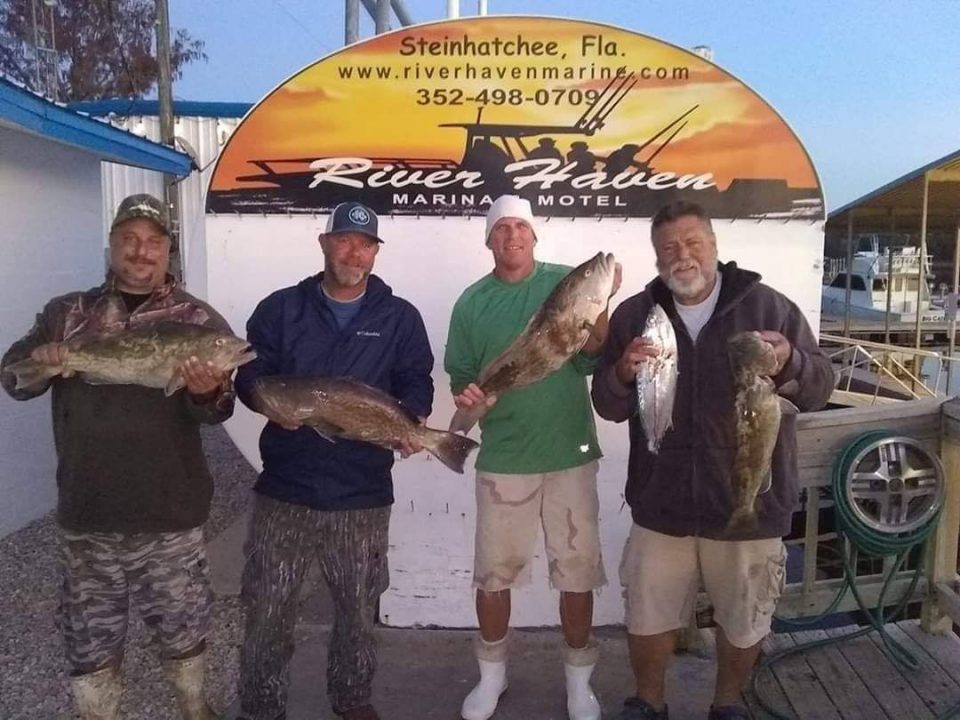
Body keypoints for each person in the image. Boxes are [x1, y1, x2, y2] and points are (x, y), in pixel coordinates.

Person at [591, 201, 834, 720]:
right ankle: (649, 702)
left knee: (744, 617)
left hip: (750, 499)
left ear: (715, 246)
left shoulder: (769, 308)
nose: (682, 257)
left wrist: (790, 359)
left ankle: (726, 704)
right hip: (662, 502)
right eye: (669, 249)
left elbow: (818, 389)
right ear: (656, 258)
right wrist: (621, 376)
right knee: (648, 615)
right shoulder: (636, 315)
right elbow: (607, 406)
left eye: (692, 243)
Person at [0, 193, 236, 720]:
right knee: (90, 635)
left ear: (168, 251)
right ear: (111, 246)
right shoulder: (67, 314)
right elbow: (14, 379)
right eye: (129, 239)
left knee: (183, 624)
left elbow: (219, 411)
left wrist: (205, 389)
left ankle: (194, 707)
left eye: (154, 242)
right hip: (88, 509)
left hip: (170, 511)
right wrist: (40, 358)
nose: (141, 251)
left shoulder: (197, 319)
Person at [234, 201, 434, 720]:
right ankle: (260, 707)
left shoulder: (400, 317)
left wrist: (408, 425)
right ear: (324, 243)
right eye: (344, 239)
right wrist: (264, 402)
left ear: (375, 252)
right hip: (286, 489)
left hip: (362, 495)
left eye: (365, 243)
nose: (354, 251)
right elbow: (250, 374)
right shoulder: (280, 309)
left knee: (357, 613)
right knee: (268, 609)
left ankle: (351, 700)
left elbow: (417, 381)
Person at [445, 194, 621, 720]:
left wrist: (602, 302)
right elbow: (460, 375)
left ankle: (578, 683)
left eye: (521, 227)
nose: (512, 236)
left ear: (534, 236)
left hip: (569, 453)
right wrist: (468, 399)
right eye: (501, 229)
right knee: (494, 576)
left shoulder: (565, 282)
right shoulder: (471, 303)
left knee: (577, 572)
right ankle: (491, 678)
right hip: (502, 457)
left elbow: (595, 353)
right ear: (489, 240)